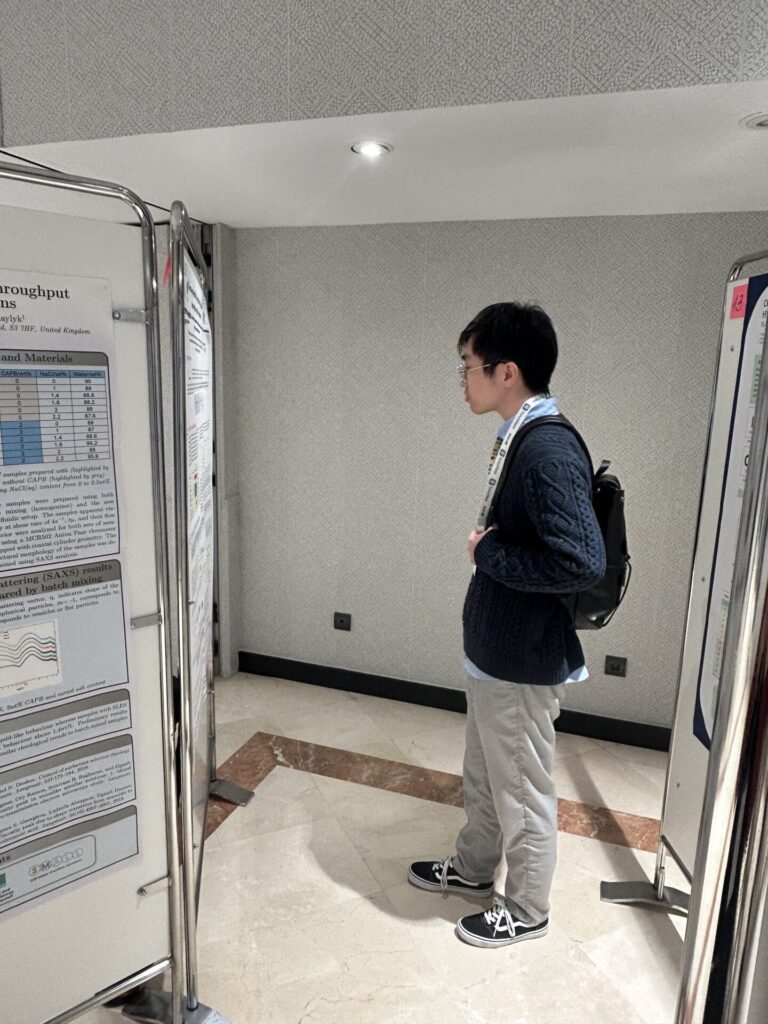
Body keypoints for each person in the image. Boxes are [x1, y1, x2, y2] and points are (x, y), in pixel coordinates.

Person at [408, 302, 606, 948]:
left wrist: (487, 553)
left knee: (519, 786)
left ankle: (526, 908)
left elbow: (581, 560)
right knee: (486, 776)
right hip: (497, 651)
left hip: (522, 657)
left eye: (467, 366)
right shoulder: (523, 433)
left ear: (507, 372)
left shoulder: (546, 449)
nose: (462, 379)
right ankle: (473, 869)